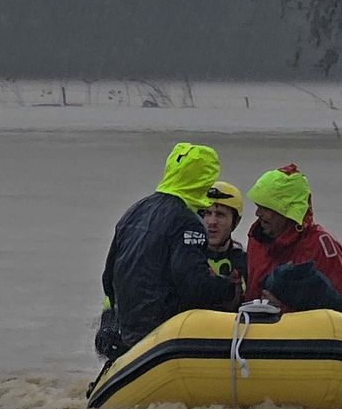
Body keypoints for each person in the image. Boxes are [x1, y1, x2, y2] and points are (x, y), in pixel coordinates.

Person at [96, 142, 237, 361]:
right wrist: (229, 288)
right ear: (204, 180)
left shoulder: (136, 209)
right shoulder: (188, 222)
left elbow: (108, 278)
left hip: (126, 331)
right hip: (159, 334)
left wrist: (115, 319)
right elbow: (194, 286)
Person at [243, 163, 342, 310]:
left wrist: (282, 310)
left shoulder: (321, 246)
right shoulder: (257, 238)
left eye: (266, 208)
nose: (258, 214)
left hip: (301, 332)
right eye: (258, 206)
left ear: (287, 212)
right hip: (253, 329)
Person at [200, 180, 247, 307]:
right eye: (207, 213)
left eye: (220, 215)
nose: (212, 222)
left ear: (235, 221)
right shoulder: (187, 256)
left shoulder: (245, 261)